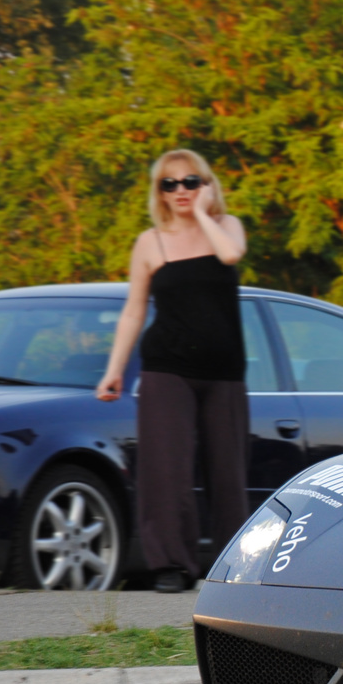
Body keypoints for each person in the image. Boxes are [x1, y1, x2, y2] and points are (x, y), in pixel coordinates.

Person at [95, 150, 248, 593]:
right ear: (159, 192)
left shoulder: (227, 227)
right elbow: (133, 310)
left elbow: (231, 254)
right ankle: (171, 566)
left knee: (228, 475)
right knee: (168, 471)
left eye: (190, 182)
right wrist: (115, 370)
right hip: (167, 368)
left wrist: (203, 214)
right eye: (170, 184)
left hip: (225, 371)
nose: (180, 191)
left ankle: (231, 567)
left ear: (206, 185)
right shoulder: (150, 242)